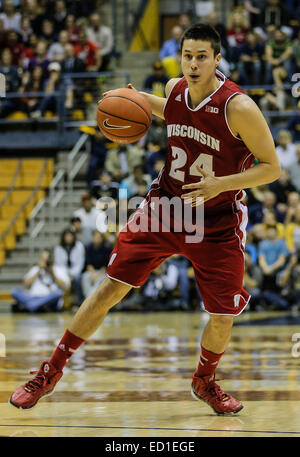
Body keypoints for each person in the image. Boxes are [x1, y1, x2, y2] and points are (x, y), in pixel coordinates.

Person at [10, 23, 281, 415]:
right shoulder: (175, 89)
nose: (193, 63)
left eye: (202, 56)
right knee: (109, 289)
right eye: (187, 55)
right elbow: (160, 106)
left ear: (218, 60)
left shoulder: (237, 107)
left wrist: (222, 183)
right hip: (166, 208)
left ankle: (204, 381)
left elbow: (271, 167)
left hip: (217, 219)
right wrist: (127, 97)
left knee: (223, 315)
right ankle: (50, 371)